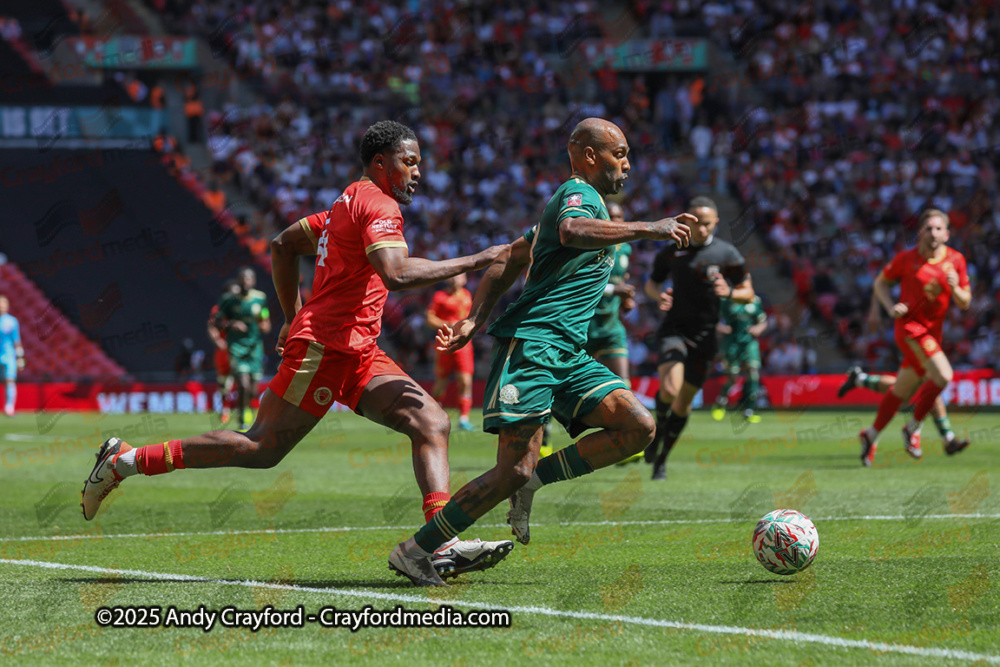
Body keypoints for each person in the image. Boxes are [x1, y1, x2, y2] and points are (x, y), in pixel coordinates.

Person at [82, 121, 512, 580]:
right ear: (381, 163)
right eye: (410, 162)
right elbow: (397, 274)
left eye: (420, 164)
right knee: (261, 447)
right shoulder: (378, 203)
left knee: (432, 422)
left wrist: (291, 314)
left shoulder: (344, 203)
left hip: (359, 349)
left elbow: (283, 245)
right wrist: (479, 258)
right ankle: (124, 460)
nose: (418, 173)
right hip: (327, 346)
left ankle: (438, 544)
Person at [388, 118, 692, 586]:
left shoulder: (570, 202)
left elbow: (509, 257)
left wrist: (475, 318)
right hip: (534, 346)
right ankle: (415, 550)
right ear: (590, 155)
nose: (627, 165)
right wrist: (651, 227)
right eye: (620, 153)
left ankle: (535, 481)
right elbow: (571, 231)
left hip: (567, 353)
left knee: (637, 426)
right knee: (510, 469)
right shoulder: (580, 197)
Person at [644, 196, 755, 481]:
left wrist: (729, 292)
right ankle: (657, 428)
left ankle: (662, 460)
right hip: (674, 331)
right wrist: (660, 296)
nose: (701, 229)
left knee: (683, 404)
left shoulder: (727, 254)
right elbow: (651, 284)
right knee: (670, 389)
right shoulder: (672, 251)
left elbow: (748, 292)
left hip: (706, 338)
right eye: (696, 223)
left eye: (706, 224)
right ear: (686, 222)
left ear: (715, 223)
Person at [858, 209, 971, 466]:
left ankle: (871, 435)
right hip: (910, 329)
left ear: (947, 234)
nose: (933, 233)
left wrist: (955, 289)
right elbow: (880, 283)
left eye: (938, 229)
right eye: (929, 228)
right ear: (920, 232)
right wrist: (889, 308)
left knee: (902, 389)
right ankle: (913, 427)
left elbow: (965, 302)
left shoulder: (956, 260)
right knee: (943, 376)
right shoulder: (906, 259)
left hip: (934, 333)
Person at [585, 201, 638, 463]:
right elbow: (585, 284)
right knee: (555, 385)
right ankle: (544, 441)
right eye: (611, 217)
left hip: (610, 325)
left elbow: (619, 282)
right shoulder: (589, 245)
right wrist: (615, 291)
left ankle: (628, 441)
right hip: (583, 325)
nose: (616, 222)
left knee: (623, 383)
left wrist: (625, 299)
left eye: (620, 217)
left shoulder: (625, 247)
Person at [839, 366, 970, 453]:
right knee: (930, 383)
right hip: (917, 337)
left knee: (909, 388)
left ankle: (860, 380)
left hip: (924, 337)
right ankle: (921, 431)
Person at [217, 267, 271, 430]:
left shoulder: (260, 299)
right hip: (237, 347)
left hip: (254, 347)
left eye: (249, 279)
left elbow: (265, 318)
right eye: (243, 279)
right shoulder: (229, 300)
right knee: (243, 383)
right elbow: (217, 321)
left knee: (253, 388)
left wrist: (264, 325)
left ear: (253, 281)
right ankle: (243, 417)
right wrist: (231, 324)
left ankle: (246, 409)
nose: (246, 282)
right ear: (238, 281)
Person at [426, 274, 476, 431]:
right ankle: (434, 415)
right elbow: (430, 319)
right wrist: (447, 324)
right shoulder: (440, 296)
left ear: (465, 280)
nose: (456, 279)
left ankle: (464, 418)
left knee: (465, 381)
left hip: (463, 346)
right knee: (441, 382)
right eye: (454, 276)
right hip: (444, 343)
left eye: (460, 276)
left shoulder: (467, 296)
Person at [711, 295, 767, 423]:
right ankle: (721, 400)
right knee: (733, 377)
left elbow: (763, 321)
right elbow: (714, 320)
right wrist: (723, 328)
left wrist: (758, 328)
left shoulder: (755, 300)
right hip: (731, 343)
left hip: (749, 343)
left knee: (753, 374)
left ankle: (749, 410)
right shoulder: (726, 300)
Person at [208, 280, 241, 425]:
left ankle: (243, 411)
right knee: (224, 382)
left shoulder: (242, 307)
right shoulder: (218, 309)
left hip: (240, 349)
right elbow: (212, 325)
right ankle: (225, 411)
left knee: (243, 380)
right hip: (223, 351)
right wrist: (217, 340)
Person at [0, 295, 24, 417]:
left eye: (4, 304)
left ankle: (9, 407)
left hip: (9, 355)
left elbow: (16, 339)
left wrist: (20, 357)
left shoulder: (12, 321)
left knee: (9, 381)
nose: (2, 306)